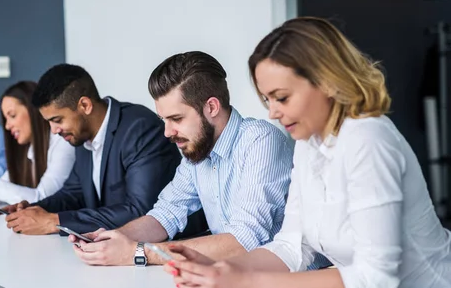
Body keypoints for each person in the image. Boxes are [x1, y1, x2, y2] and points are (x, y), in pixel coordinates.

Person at [165, 17, 451, 288]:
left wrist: (247, 285)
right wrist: (217, 267)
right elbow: (292, 246)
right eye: (268, 100)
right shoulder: (307, 144)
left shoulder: (368, 137)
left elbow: (374, 276)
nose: (272, 113)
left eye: (282, 98)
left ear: (327, 82)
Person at [68, 51, 294, 266]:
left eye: (176, 118)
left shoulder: (260, 140)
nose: (167, 132)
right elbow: (166, 214)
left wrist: (137, 253)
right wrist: (114, 238)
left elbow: (244, 241)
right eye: (164, 119)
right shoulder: (197, 150)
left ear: (211, 107)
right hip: (230, 279)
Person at [0, 64, 182, 236]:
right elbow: (72, 194)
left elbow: (141, 211)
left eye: (57, 120)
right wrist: (33, 209)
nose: (54, 130)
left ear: (85, 105)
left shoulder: (139, 128)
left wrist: (54, 222)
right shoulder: (81, 136)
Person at [0, 81, 75, 205]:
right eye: (6, 119)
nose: (7, 126)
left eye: (12, 115)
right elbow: (1, 196)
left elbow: (43, 199)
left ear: (35, 111)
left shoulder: (62, 143)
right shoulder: (27, 150)